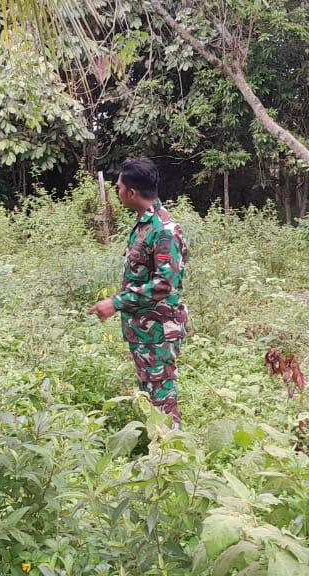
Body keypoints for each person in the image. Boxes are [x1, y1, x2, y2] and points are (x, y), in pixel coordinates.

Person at [87, 158, 189, 427]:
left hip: (159, 331)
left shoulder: (163, 230)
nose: (117, 192)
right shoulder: (144, 225)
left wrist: (116, 302)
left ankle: (170, 457)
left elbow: (165, 284)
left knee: (162, 398)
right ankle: (157, 454)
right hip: (145, 330)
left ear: (131, 192)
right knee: (151, 395)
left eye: (119, 187)